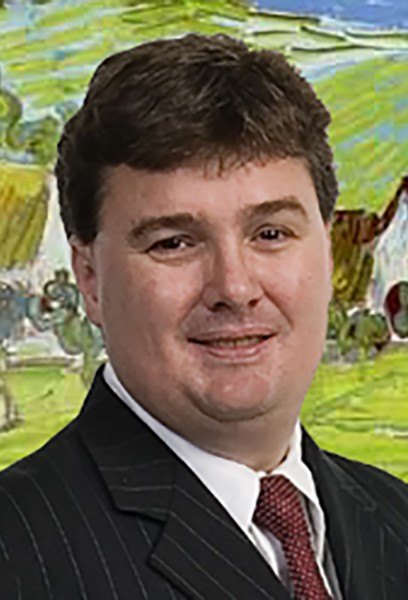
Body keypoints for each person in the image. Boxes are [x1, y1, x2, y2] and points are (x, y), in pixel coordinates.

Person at [0, 34, 407, 600]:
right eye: (173, 242)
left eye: (271, 233)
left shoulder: (395, 516)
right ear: (89, 278)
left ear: (327, 252)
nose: (234, 289)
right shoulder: (15, 554)